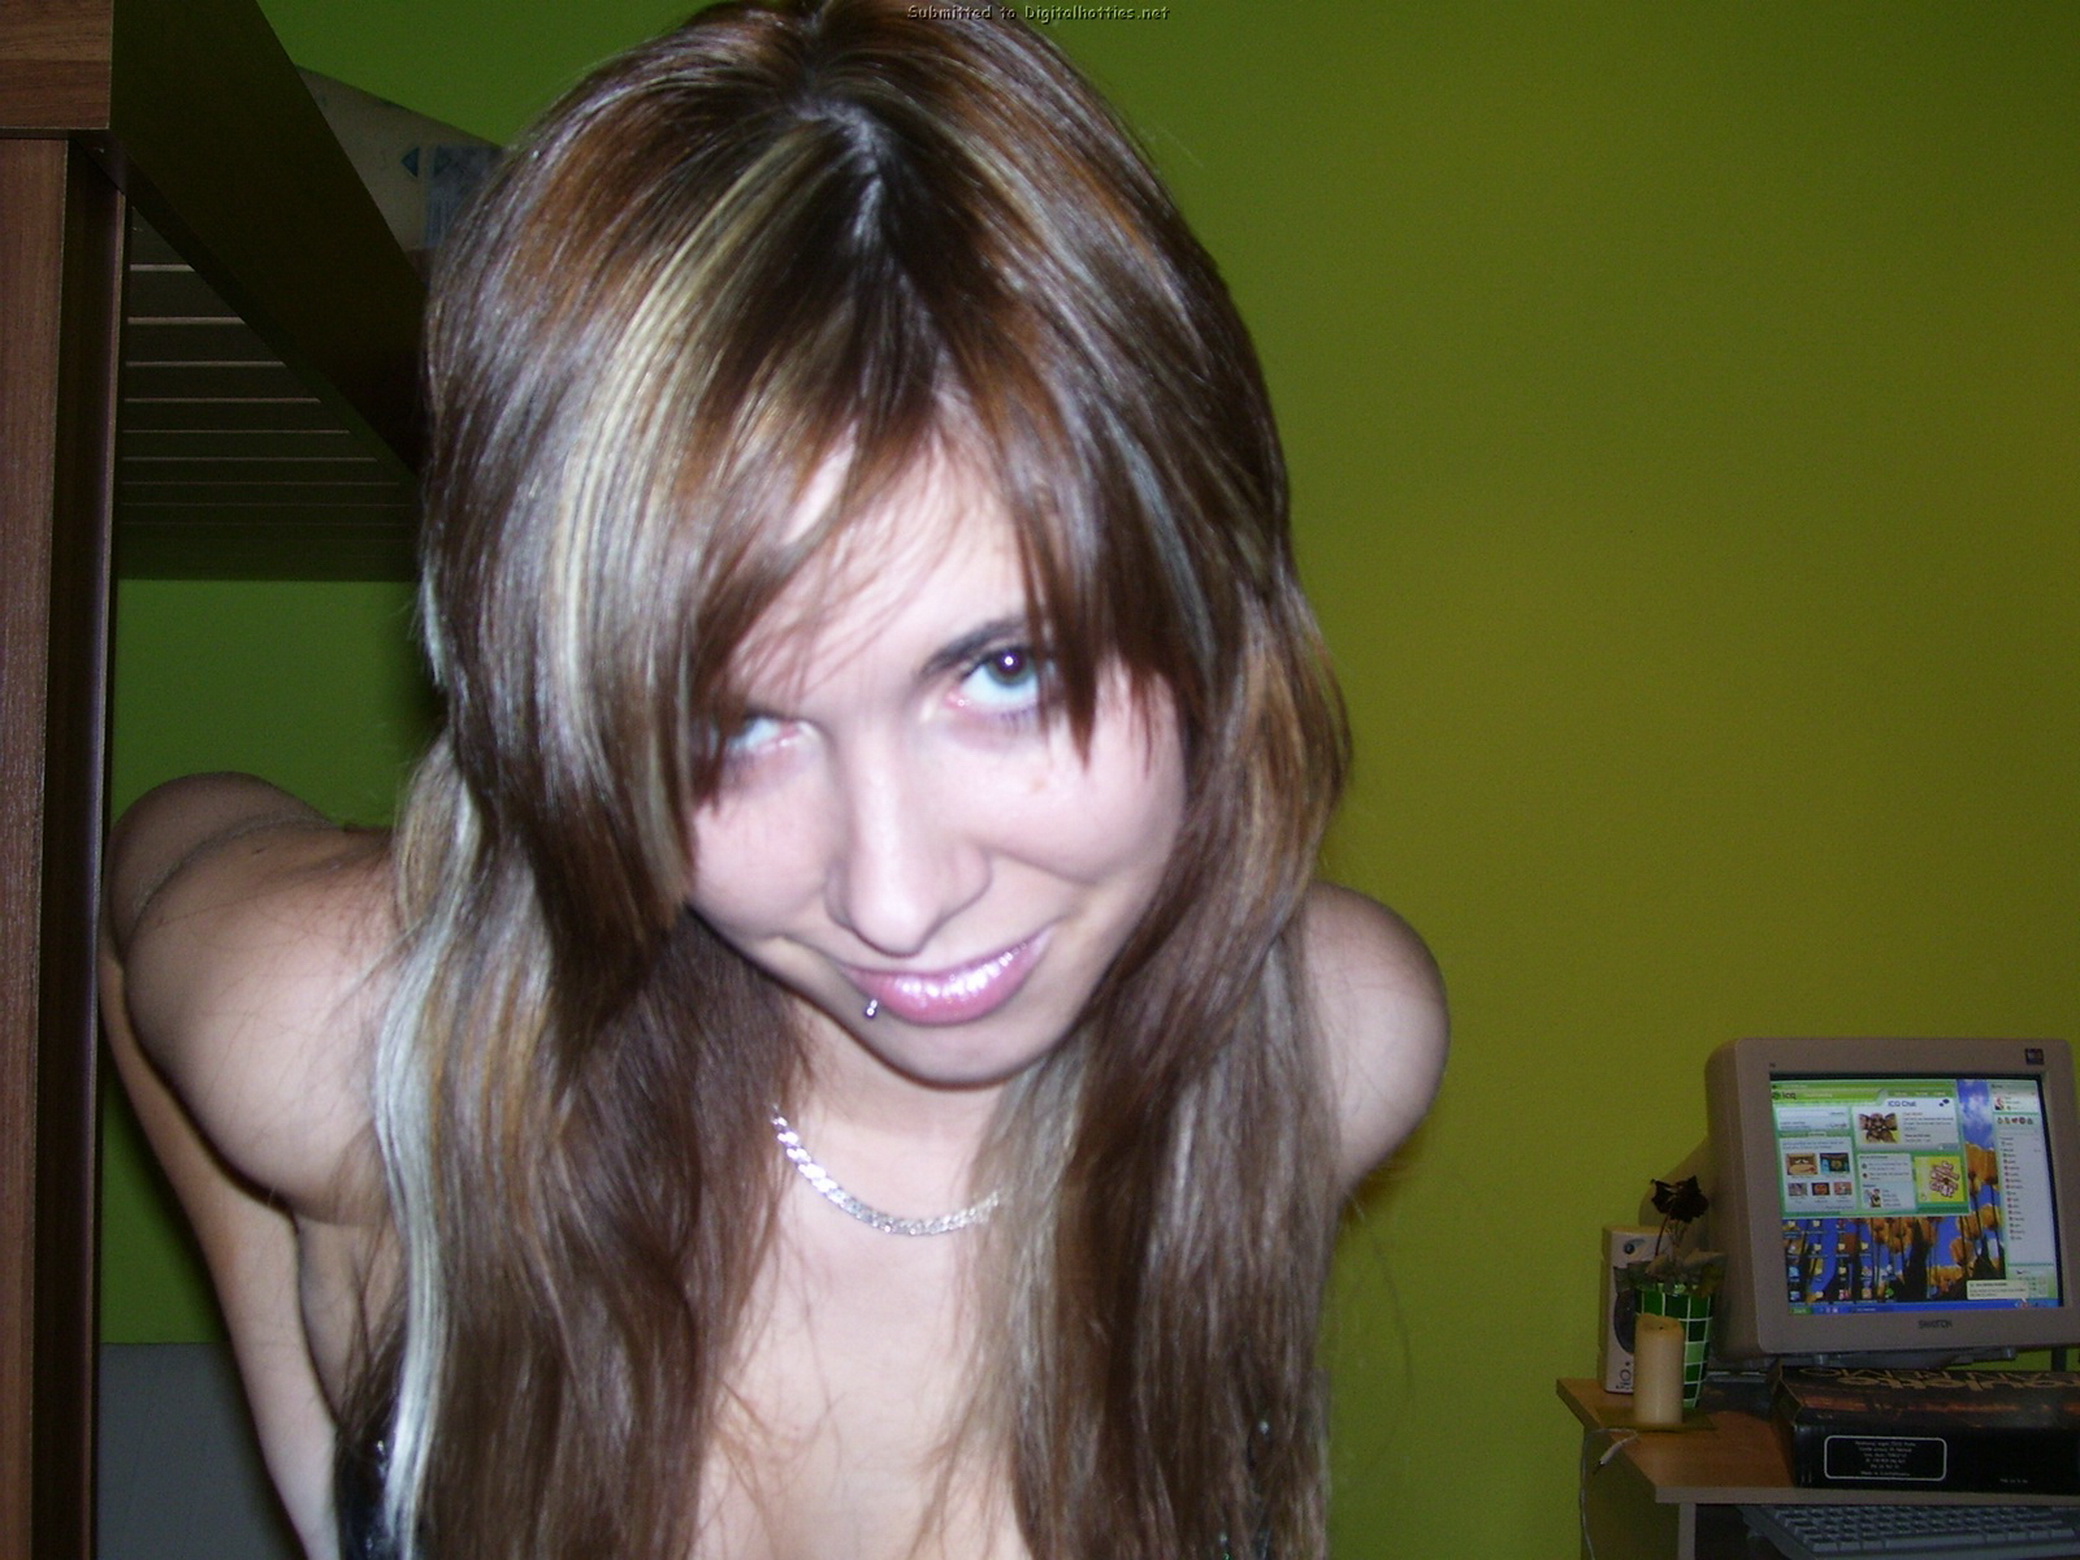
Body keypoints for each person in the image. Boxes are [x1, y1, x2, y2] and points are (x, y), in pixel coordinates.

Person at [100, 3, 1449, 1557]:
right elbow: (146, 872)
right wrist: (336, 1428)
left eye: (1006, 671)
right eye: (730, 730)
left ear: (1213, 587)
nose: (897, 897)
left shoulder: (1317, 1051)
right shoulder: (364, 1048)